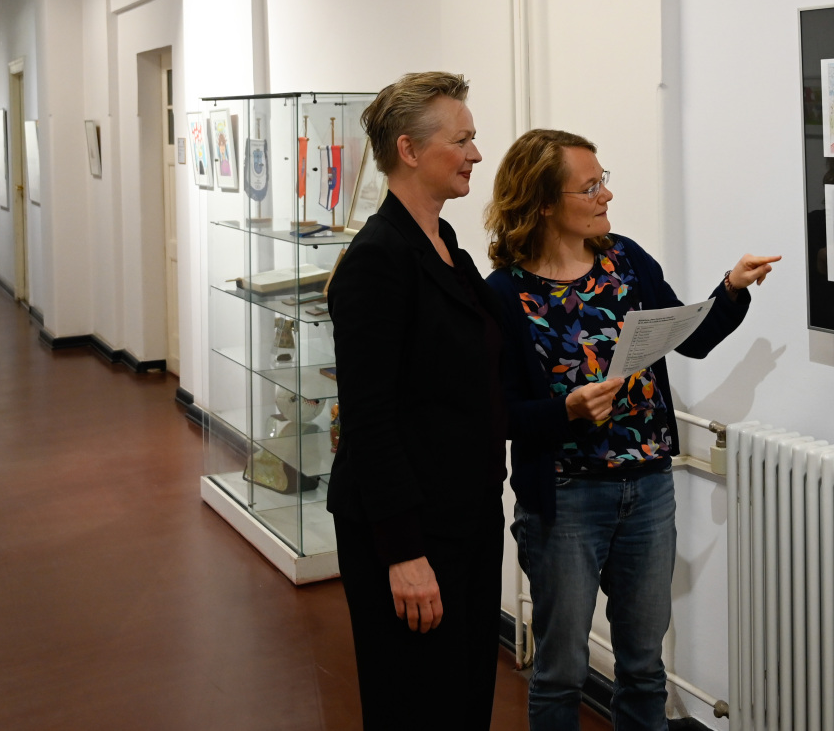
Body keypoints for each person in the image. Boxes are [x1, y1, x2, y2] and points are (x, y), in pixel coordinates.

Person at [484, 128, 779, 731]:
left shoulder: (627, 260)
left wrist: (730, 290)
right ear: (543, 202)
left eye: (604, 180)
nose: (606, 195)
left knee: (644, 667)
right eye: (589, 187)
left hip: (647, 487)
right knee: (561, 671)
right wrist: (566, 410)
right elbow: (497, 415)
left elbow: (688, 338)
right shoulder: (503, 296)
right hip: (564, 498)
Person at [325, 72, 507, 729]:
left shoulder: (446, 246)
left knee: (461, 698)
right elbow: (368, 419)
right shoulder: (380, 259)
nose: (475, 154)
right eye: (462, 140)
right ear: (408, 150)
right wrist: (403, 553)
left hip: (465, 516)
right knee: (416, 705)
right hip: (410, 531)